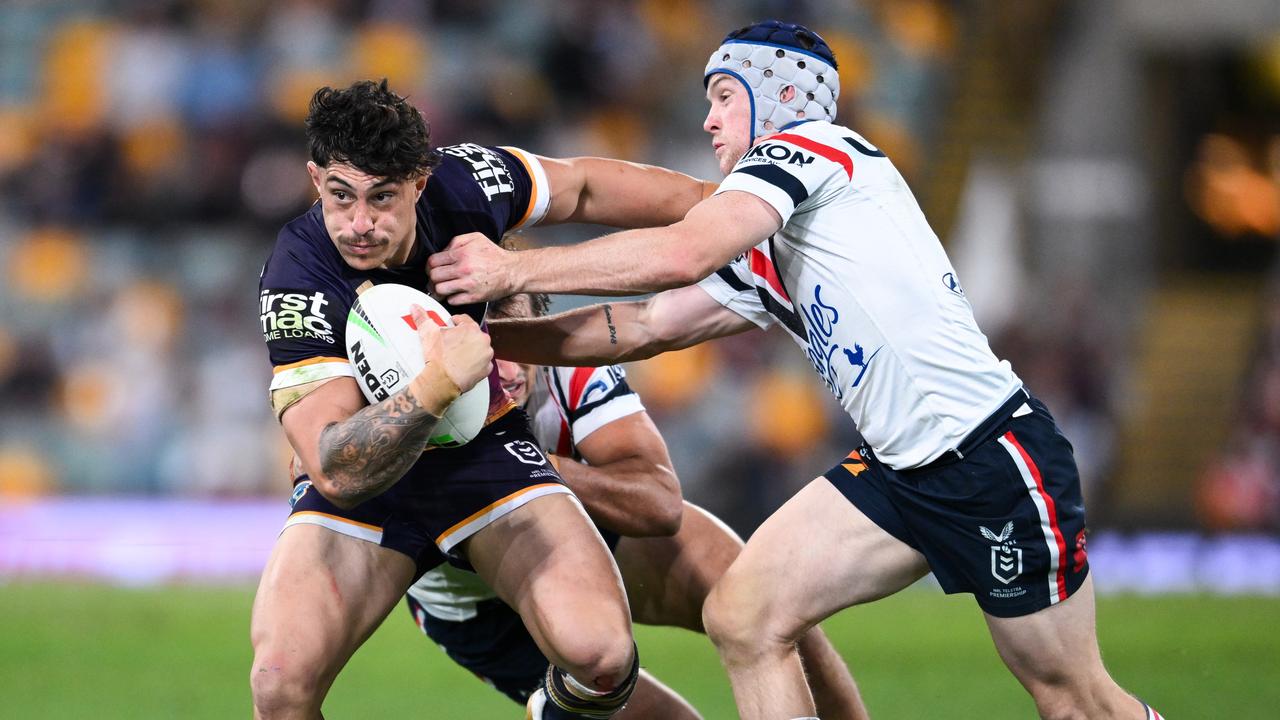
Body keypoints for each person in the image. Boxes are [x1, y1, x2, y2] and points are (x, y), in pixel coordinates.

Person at [426, 21, 1166, 720]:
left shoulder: (811, 149)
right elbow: (644, 325)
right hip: (898, 473)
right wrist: (495, 341)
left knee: (1073, 700)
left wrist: (502, 268)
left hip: (987, 456)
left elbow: (680, 253)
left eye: (723, 97)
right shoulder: (775, 237)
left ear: (779, 95)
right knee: (743, 617)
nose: (710, 121)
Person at [251, 79, 721, 720]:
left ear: (421, 181)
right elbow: (334, 468)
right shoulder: (296, 274)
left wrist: (719, 203)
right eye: (340, 197)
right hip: (375, 480)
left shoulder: (469, 183)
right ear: (314, 180)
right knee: (280, 685)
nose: (359, 223)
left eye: (382, 198)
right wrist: (442, 381)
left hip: (485, 455)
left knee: (603, 656)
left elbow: (583, 185)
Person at [402, 292, 868, 719]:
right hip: (477, 604)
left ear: (535, 324)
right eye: (481, 342)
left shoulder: (566, 363)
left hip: (584, 529)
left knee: (769, 604)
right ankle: (562, 705)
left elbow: (659, 503)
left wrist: (526, 463)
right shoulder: (405, 391)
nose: (501, 366)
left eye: (510, 336)